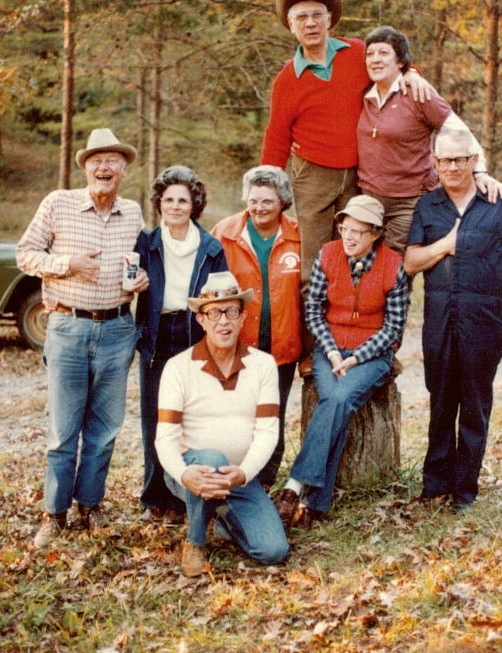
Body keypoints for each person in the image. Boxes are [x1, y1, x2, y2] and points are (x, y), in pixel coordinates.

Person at [16, 128, 149, 548]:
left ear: (124, 169)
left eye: (112, 160)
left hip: (116, 328)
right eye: (96, 159)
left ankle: (89, 507)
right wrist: (66, 264)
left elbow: (142, 267)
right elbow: (25, 254)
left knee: (105, 428)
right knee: (62, 430)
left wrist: (142, 280)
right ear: (86, 167)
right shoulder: (59, 204)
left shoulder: (133, 213)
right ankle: (53, 513)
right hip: (68, 326)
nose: (104, 167)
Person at [261, 1, 430, 296]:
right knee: (315, 264)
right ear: (291, 25)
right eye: (302, 17)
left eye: (317, 16)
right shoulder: (287, 80)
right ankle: (314, 342)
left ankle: (355, 334)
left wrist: (412, 72)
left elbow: (388, 65)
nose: (310, 23)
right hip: (313, 176)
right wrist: (266, 188)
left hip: (361, 174)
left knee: (359, 256)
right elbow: (276, 137)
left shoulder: (355, 53)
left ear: (330, 20)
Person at [275, 195, 408, 529]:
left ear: (376, 233)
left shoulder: (394, 265)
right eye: (345, 228)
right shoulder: (328, 254)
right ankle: (315, 504)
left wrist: (357, 358)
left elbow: (393, 327)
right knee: (337, 405)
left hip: (372, 354)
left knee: (337, 399)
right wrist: (332, 351)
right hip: (330, 349)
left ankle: (294, 488)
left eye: (358, 232)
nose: (349, 237)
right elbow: (314, 309)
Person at [155, 271, 289, 577]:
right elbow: (164, 438)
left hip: (237, 476)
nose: (223, 321)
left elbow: (268, 432)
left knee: (273, 551)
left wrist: (243, 473)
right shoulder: (178, 368)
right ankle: (196, 541)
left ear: (243, 317)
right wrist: (183, 473)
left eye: (231, 311)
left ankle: (222, 515)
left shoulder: (263, 365)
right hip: (191, 473)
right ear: (201, 319)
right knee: (211, 458)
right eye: (214, 313)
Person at [404, 130, 502, 513]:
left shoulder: (495, 201)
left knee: (476, 405)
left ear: (474, 160)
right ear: (435, 162)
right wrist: (446, 244)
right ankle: (435, 484)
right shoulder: (428, 207)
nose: (452, 167)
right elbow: (411, 262)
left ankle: (465, 491)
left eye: (460, 160)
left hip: (486, 317)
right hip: (440, 318)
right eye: (444, 160)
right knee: (441, 399)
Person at [135, 165, 227, 524]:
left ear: (194, 205)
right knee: (155, 418)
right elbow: (129, 278)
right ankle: (153, 496)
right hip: (156, 334)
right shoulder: (146, 242)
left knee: (186, 419)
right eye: (168, 199)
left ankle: (179, 499)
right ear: (159, 203)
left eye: (183, 200)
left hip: (192, 334)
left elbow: (221, 293)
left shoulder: (210, 247)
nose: (175, 206)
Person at [357, 25, 500, 255]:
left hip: (409, 202)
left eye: (384, 53)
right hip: (369, 198)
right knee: (366, 269)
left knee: (396, 270)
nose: (375, 60)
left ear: (401, 61)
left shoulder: (419, 94)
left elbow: (458, 131)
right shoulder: (364, 95)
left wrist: (479, 171)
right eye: (370, 54)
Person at [211, 165, 301, 488]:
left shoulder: (298, 235)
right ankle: (229, 481)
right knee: (236, 416)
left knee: (270, 419)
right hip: (237, 347)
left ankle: (261, 485)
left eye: (268, 201)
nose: (260, 207)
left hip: (283, 347)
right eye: (254, 200)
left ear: (282, 202)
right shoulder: (225, 232)